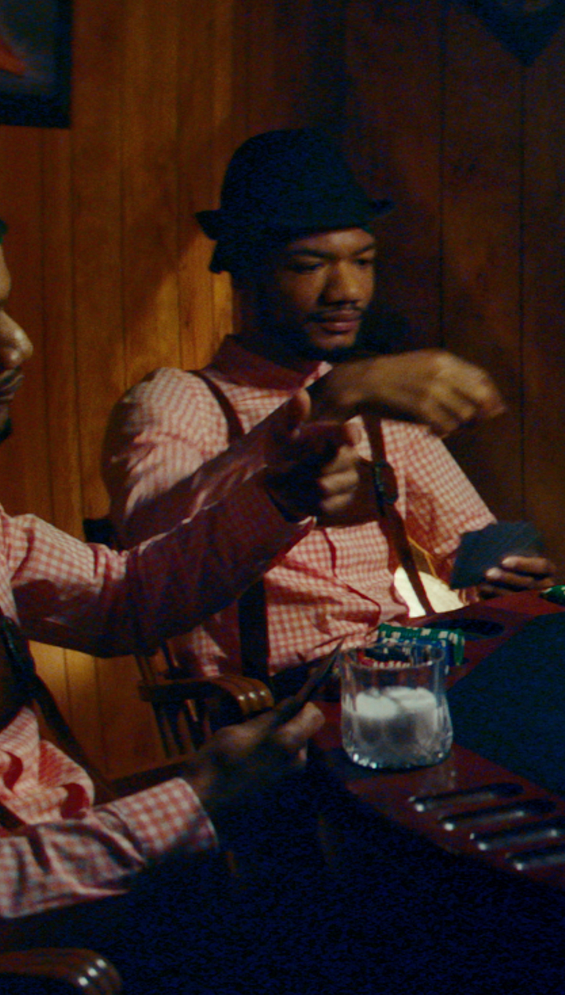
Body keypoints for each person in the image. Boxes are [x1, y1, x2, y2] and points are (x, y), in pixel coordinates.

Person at [102, 129, 555, 686]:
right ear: (244, 270)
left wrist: (505, 570)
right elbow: (151, 558)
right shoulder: (178, 400)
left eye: (363, 261)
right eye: (308, 265)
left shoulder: (372, 394)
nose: (347, 291)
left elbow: (470, 549)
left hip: (398, 672)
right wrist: (329, 399)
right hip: (274, 704)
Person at [0, 214, 349, 918]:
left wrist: (277, 498)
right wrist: (196, 799)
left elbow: (123, 595)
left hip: (83, 852)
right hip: (55, 944)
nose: (18, 342)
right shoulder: (175, 398)